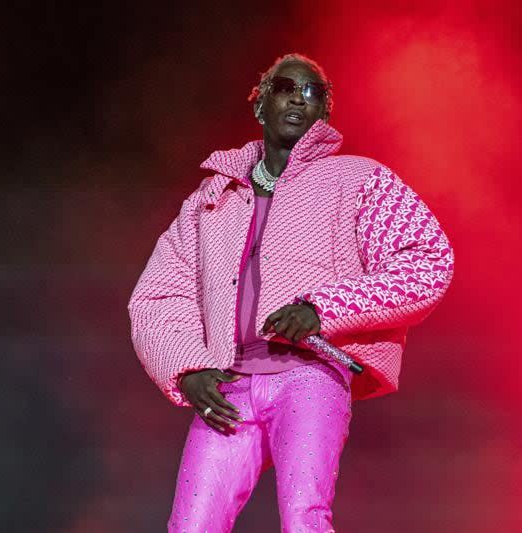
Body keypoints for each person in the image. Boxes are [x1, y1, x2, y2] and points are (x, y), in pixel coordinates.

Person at [128, 53, 454, 532]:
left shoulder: (357, 179)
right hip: (227, 387)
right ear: (260, 104)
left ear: (325, 111)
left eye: (314, 92)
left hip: (309, 377)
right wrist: (187, 370)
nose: (300, 98)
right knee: (190, 526)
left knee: (304, 519)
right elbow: (158, 295)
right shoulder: (211, 197)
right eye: (286, 87)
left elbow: (428, 261)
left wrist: (323, 310)